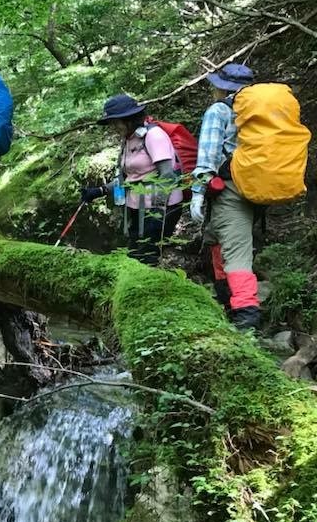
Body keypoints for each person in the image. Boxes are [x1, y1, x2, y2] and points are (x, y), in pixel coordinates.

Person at [189, 63, 260, 330]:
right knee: (217, 242)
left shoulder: (220, 110)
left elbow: (207, 155)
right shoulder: (257, 114)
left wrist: (197, 192)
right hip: (251, 189)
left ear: (222, 87)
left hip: (229, 191)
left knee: (236, 254)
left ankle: (246, 321)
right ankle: (228, 307)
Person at [81, 94, 184, 265]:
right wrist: (99, 191)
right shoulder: (128, 140)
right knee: (136, 255)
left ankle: (150, 289)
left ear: (128, 119)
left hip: (159, 209)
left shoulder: (153, 136)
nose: (113, 127)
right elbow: (128, 178)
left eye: (115, 122)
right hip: (138, 208)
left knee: (147, 256)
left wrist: (158, 212)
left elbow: (167, 176)